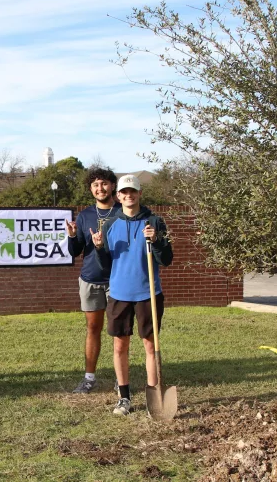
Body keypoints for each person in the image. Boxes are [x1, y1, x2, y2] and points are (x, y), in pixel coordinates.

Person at [93, 174, 173, 416]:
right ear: (118, 196)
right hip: (119, 294)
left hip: (148, 293)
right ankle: (124, 397)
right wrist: (98, 248)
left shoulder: (154, 222)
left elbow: (167, 259)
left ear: (139, 194)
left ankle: (153, 394)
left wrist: (156, 240)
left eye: (133, 191)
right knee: (120, 346)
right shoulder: (109, 225)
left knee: (150, 345)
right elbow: (105, 265)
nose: (129, 196)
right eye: (124, 192)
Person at [65, 167, 121, 394]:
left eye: (105, 183)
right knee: (93, 328)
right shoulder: (85, 214)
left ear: (113, 186)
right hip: (91, 279)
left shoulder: (123, 212)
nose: (101, 188)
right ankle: (89, 379)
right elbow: (75, 251)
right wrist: (71, 236)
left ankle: (121, 380)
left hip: (118, 278)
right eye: (96, 185)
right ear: (91, 189)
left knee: (119, 330)